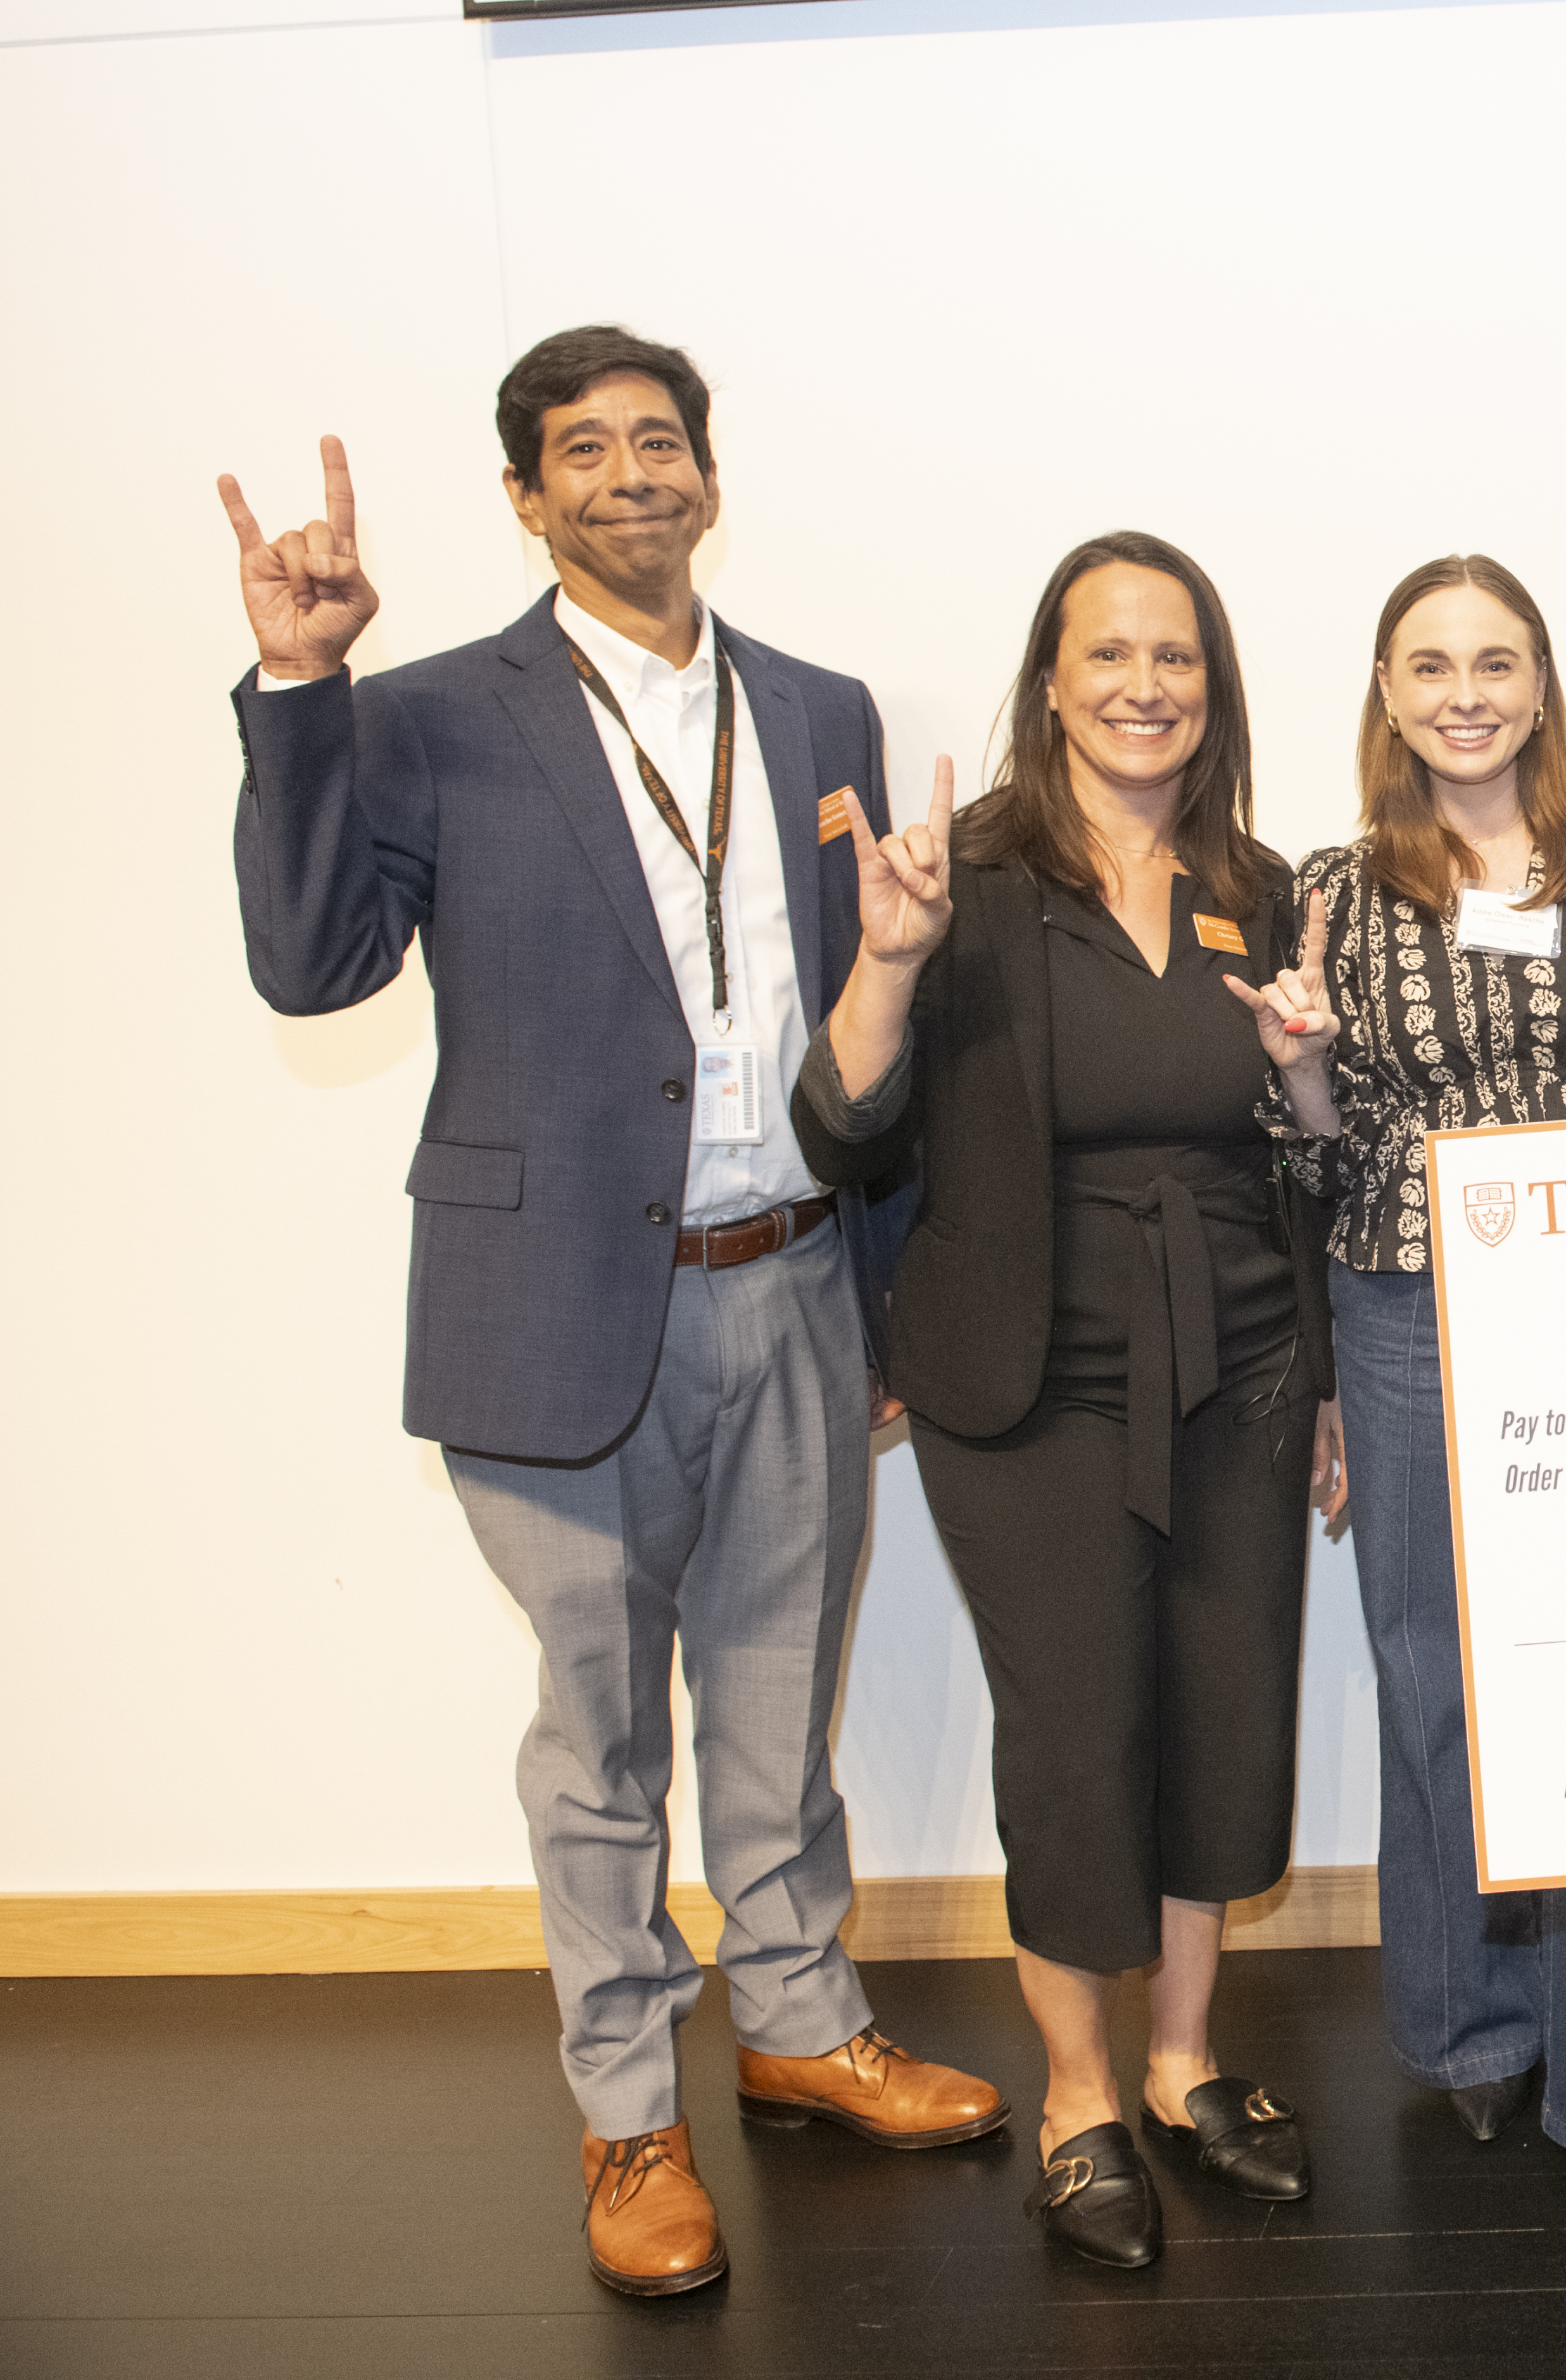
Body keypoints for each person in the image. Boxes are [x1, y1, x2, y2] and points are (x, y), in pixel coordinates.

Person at [220, 330, 1003, 2303]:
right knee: (595, 1748)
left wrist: (894, 1305)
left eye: (664, 441)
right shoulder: (419, 716)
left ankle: (804, 2027)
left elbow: (869, 1021)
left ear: (712, 480)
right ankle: (630, 2114)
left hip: (801, 1286)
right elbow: (312, 967)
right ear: (524, 497)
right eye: (588, 450)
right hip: (559, 1307)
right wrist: (299, 686)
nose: (633, 474)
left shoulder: (817, 714)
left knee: (773, 1717)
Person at [790, 532, 1341, 2269]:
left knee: (1226, 1706)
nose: (1142, 686)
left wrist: (1311, 1087)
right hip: (1026, 1382)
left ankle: (1185, 2063)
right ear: (1050, 679)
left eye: (1174, 656)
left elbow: (1310, 1167)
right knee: (1081, 1730)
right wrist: (887, 960)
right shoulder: (964, 878)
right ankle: (1082, 2096)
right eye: (1107, 654)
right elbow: (842, 1129)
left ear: (1213, 687)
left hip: (1242, 1365)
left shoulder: (1258, 876)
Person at [1239, 554, 1566, 2222]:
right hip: (1406, 1301)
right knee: (1431, 1670)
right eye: (1431, 664)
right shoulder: (1334, 881)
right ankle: (1469, 2031)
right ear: (1387, 693)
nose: (1466, 692)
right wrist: (1301, 1063)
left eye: (1497, 661)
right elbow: (1312, 1148)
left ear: (1541, 683)